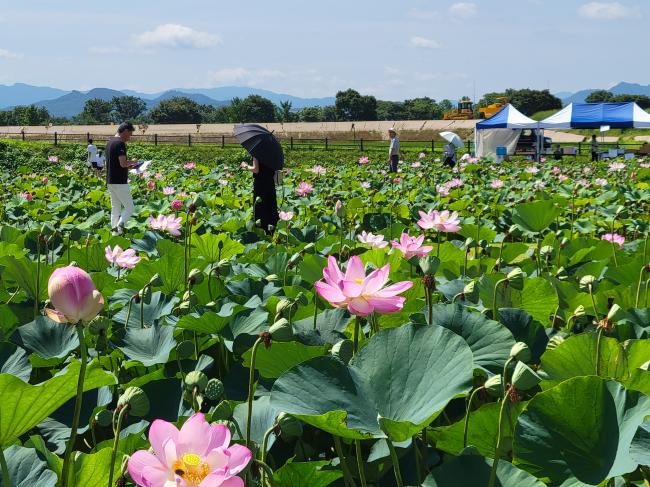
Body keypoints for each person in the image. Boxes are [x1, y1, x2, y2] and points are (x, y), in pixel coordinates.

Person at [106, 122, 139, 235]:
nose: (129, 137)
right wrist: (134, 162)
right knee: (130, 208)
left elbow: (115, 164)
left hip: (110, 180)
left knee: (115, 209)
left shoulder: (110, 142)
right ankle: (120, 227)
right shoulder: (120, 143)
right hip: (120, 182)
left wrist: (129, 166)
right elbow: (123, 163)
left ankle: (114, 233)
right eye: (129, 134)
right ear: (125, 131)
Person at [240, 157, 279, 233]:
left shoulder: (258, 152)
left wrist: (245, 165)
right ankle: (272, 232)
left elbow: (256, 169)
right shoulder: (272, 152)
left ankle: (262, 232)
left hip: (260, 184)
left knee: (260, 208)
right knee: (271, 207)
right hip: (270, 183)